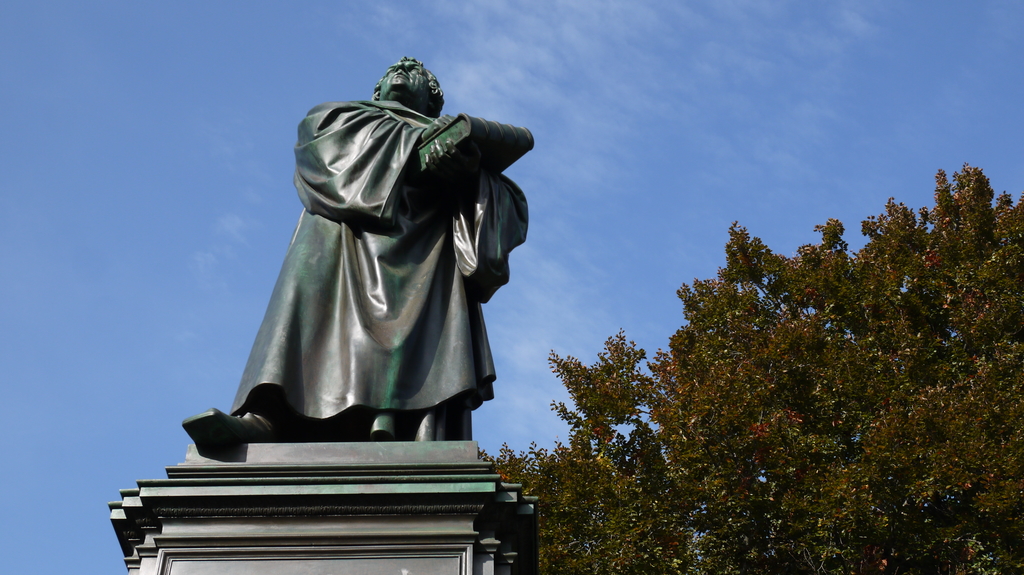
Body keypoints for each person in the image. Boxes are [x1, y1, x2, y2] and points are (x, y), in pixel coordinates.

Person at [183, 57, 528, 446]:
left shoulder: (451, 137)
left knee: (434, 272)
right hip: (341, 240)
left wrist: (470, 175)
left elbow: (507, 209)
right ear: (377, 90)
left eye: (415, 72)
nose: (402, 70)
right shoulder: (340, 118)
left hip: (426, 251)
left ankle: (407, 420)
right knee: (317, 235)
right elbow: (320, 156)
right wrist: (412, 154)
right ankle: (267, 414)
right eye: (394, 70)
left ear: (432, 103)